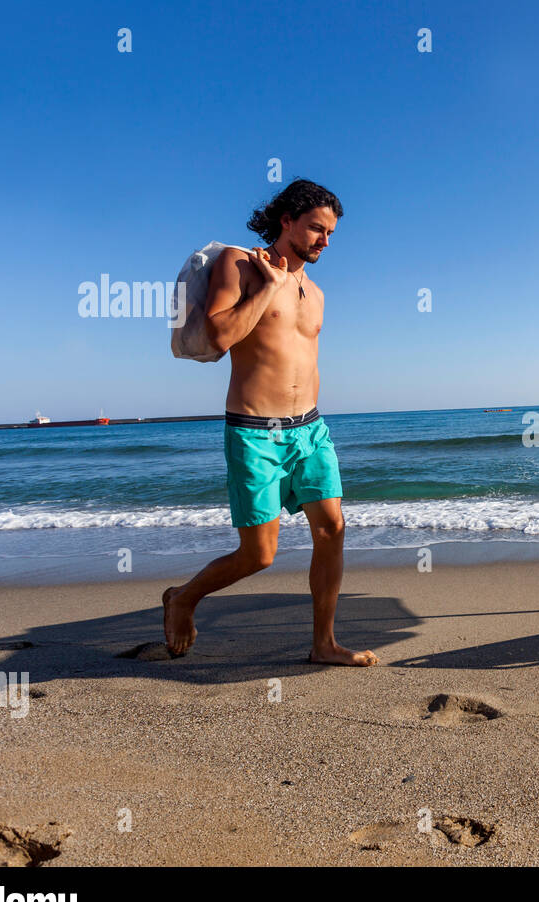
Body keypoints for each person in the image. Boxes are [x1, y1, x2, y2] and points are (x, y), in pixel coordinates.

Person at [163, 179, 378, 666]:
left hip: (311, 429)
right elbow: (219, 336)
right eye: (316, 229)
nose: (325, 240)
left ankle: (323, 643)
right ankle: (183, 598)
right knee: (259, 555)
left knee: (332, 530)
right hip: (255, 432)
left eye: (330, 233)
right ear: (287, 221)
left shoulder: (317, 292)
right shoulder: (240, 263)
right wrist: (268, 288)